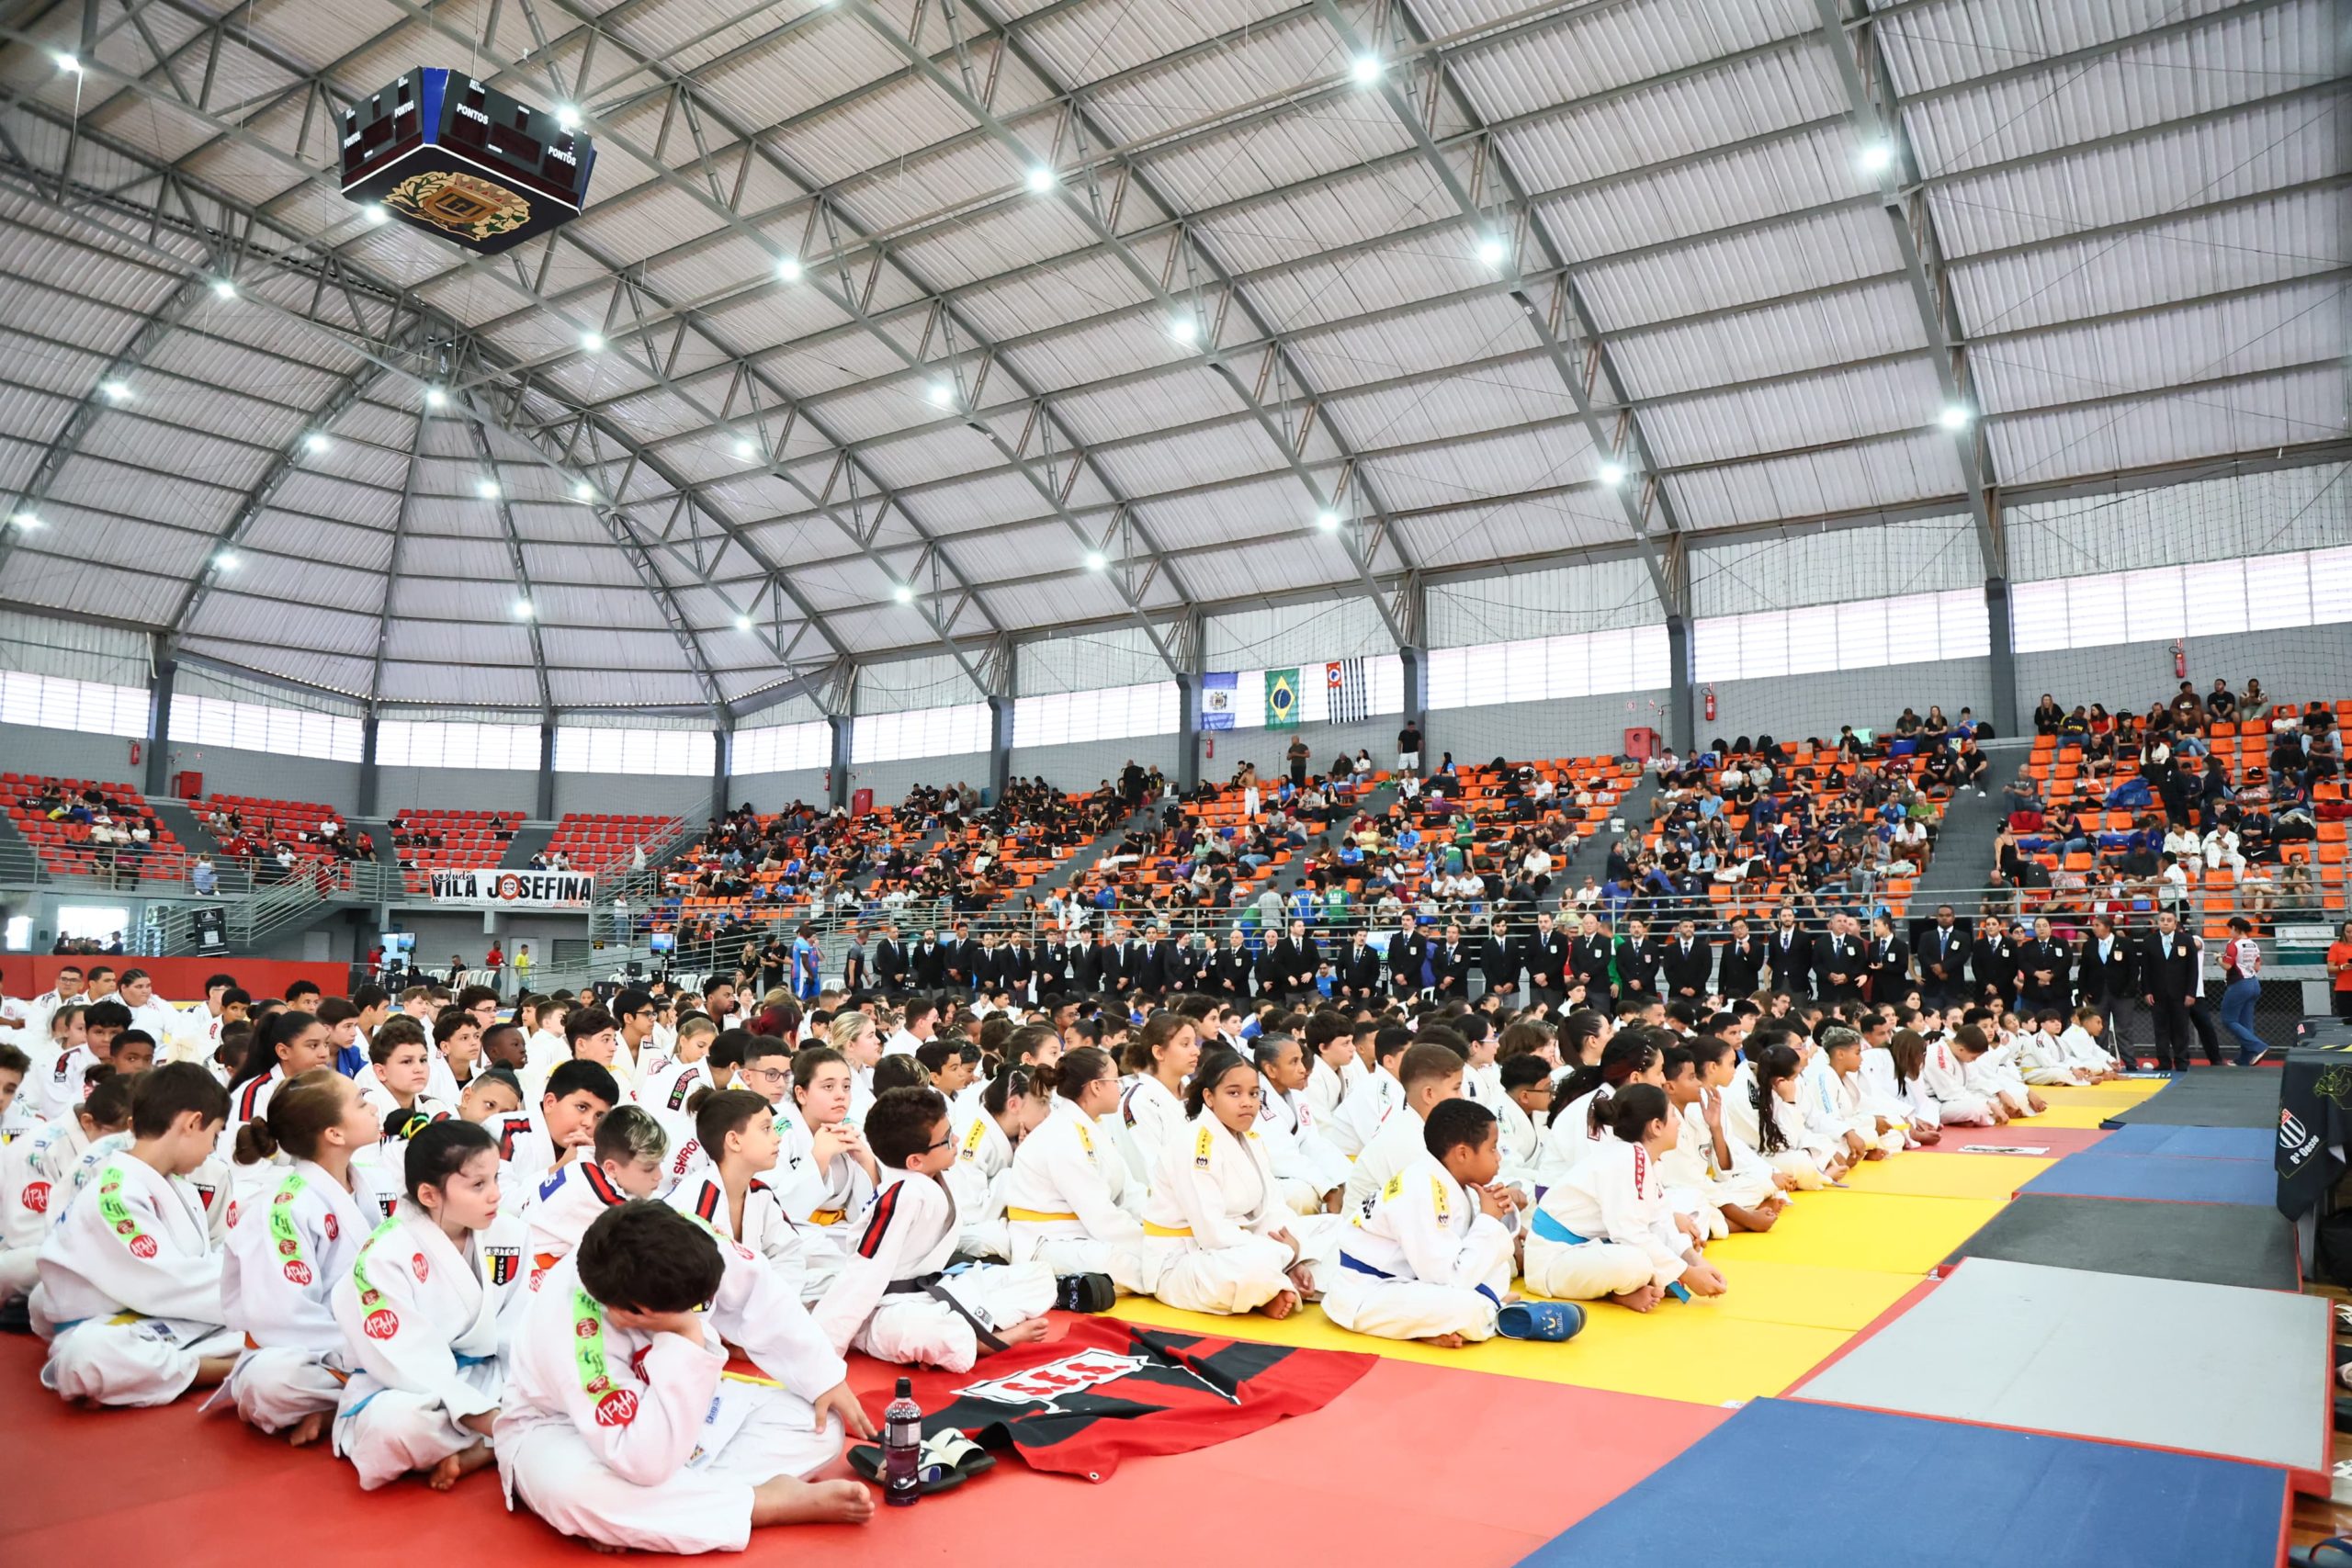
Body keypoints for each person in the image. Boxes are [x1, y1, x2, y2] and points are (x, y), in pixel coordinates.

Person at [495, 1201, 875, 1552]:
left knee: (818, 1427)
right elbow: (644, 1460)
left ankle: (658, 1516)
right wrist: (686, 1332)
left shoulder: (684, 1235)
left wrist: (823, 1376)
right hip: (563, 1429)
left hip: (684, 1405)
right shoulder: (576, 1336)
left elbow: (756, 1290)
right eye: (688, 1308)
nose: (700, 1310)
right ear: (629, 1313)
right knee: (577, 1493)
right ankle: (761, 1503)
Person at [329, 1119, 528, 1491]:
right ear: (430, 1195)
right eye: (478, 1185)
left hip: (490, 1373)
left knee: (553, 1390)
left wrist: (524, 1387)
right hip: (411, 1385)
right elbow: (405, 1358)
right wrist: (487, 1418)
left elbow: (521, 1327)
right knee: (395, 1427)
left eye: (496, 1179)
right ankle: (497, 1441)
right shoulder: (385, 1253)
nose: (495, 1195)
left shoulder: (513, 1232)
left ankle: (486, 1444)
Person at [32, 1063, 241, 1405]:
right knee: (91, 1356)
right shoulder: (115, 1195)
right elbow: (169, 1282)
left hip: (168, 1316)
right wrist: (259, 1293)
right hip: (115, 1326)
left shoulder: (179, 1186)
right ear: (192, 1123)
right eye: (214, 1135)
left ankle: (227, 1355)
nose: (211, 1150)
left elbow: (192, 1271)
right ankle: (225, 1367)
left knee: (271, 1325)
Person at [811, 1087, 1053, 1368]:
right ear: (915, 1160)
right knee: (924, 1331)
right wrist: (822, 1349)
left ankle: (964, 1331)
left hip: (933, 1290)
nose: (956, 1140)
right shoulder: (900, 1196)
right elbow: (863, 1273)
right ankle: (977, 1341)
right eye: (947, 1139)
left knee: (1039, 1277)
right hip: (887, 1306)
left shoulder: (930, 1176)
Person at [220, 1069, 390, 1442]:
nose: (374, 1107)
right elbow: (284, 1318)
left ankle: (344, 1406)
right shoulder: (285, 1209)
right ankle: (371, 1396)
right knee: (270, 1382)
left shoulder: (378, 1181)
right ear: (334, 1134)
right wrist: (373, 1349)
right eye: (361, 1102)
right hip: (325, 1348)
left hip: (381, 1332)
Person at [1321, 1098, 1519, 1348]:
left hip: (1413, 1281)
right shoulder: (1421, 1189)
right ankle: (1487, 1309)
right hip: (1367, 1292)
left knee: (1499, 1269)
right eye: (1492, 1148)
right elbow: (1449, 1279)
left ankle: (1466, 1313)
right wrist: (1489, 1219)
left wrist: (1497, 1212)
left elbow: (1461, 1253)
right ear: (1462, 1154)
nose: (1499, 1157)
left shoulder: (1443, 1178)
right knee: (1467, 1309)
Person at [1528, 1084, 1727, 1312]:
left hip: (1592, 1250)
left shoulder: (1645, 1160)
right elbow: (1631, 1235)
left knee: (1678, 1231)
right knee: (1637, 1263)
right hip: (1555, 1259)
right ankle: (1623, 1290)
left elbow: (1661, 1223)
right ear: (1656, 1126)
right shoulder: (1624, 1159)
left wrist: (1697, 1264)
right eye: (1673, 1115)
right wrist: (1688, 1274)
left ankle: (1642, 1283)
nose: (1678, 1123)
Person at [998, 1047, 1151, 1295]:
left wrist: (1158, 1227)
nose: (1121, 1087)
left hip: (1084, 1233)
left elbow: (1130, 1192)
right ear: (1096, 1086)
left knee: (1156, 1254)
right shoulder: (1062, 1134)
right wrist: (1151, 1246)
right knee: (1117, 1262)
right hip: (1046, 1242)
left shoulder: (1092, 1127)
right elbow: (1099, 1215)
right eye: (1116, 1080)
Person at [2217, 916, 2267, 1066]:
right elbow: (2257, 967)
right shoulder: (2253, 944)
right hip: (2254, 983)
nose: (2229, 932)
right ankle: (2245, 1059)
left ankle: (2258, 1046)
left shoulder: (2233, 944)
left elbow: (2227, 966)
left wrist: (2218, 958)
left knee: (2228, 1020)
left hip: (2239, 984)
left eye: (2230, 929)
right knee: (2246, 1023)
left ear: (2235, 928)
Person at [2328, 919, 2352, 1021]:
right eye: (2348, 932)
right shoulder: (2336, 947)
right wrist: (2341, 967)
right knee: (2346, 1021)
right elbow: (2330, 969)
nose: (2351, 935)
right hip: (2343, 991)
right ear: (2343, 932)